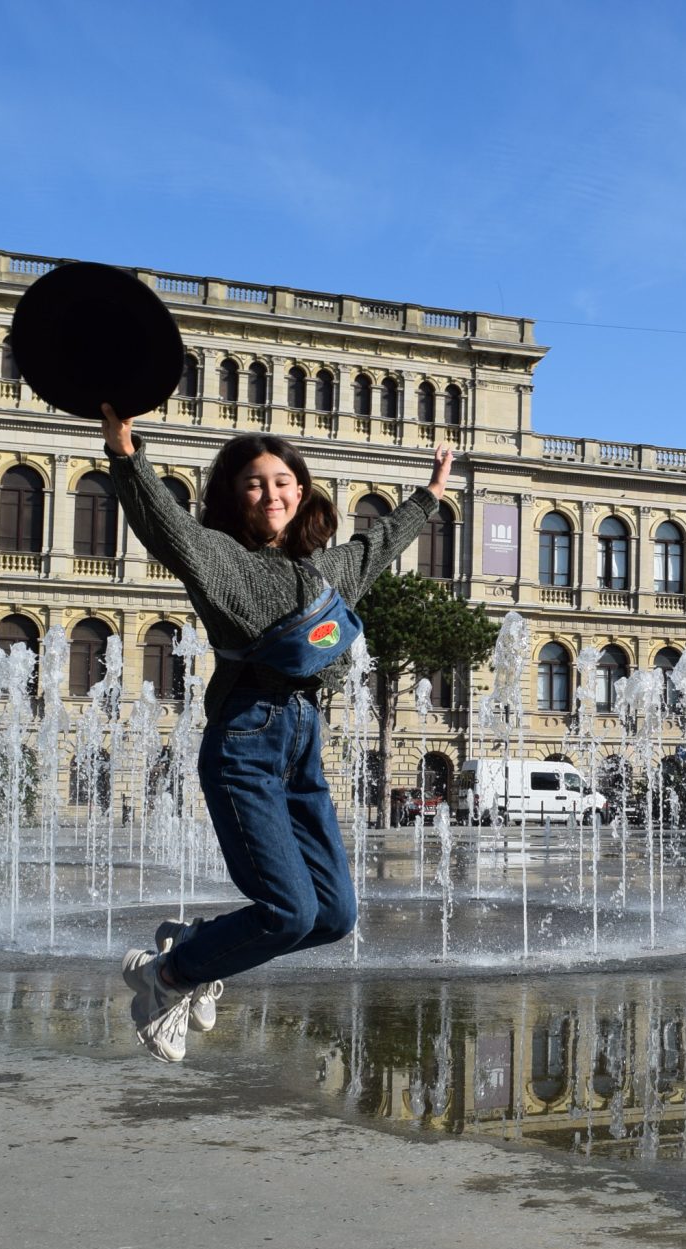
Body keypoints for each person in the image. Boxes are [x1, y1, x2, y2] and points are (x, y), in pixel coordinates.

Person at [99, 404, 451, 1062]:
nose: (273, 492)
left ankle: (195, 947)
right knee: (288, 912)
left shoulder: (324, 571)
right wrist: (126, 454)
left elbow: (377, 548)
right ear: (235, 495)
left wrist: (428, 497)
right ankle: (164, 977)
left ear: (303, 488)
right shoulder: (222, 561)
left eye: (284, 479)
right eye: (256, 482)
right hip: (245, 748)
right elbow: (165, 528)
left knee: (334, 915)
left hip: (301, 753)